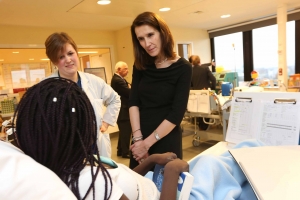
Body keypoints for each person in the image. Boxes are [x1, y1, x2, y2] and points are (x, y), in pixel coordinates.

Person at [12, 77, 189, 200]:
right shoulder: (91, 183)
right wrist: (171, 174)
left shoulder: (70, 165)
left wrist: (150, 160)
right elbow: (108, 185)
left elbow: (120, 180)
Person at [129, 11, 192, 168]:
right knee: (137, 188)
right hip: (139, 139)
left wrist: (147, 144)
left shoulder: (183, 68)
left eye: (150, 35)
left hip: (165, 139)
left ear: (163, 33)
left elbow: (176, 113)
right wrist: (138, 140)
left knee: (164, 189)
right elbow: (133, 102)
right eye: (141, 39)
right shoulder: (140, 65)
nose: (147, 43)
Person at [44, 32, 121, 158]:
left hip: (95, 149)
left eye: (70, 53)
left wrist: (106, 122)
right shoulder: (47, 87)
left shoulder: (94, 81)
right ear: (54, 62)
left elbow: (115, 99)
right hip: (66, 152)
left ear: (76, 53)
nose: (68, 60)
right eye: (61, 57)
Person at [111, 61, 132, 159]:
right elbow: (129, 92)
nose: (127, 71)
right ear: (119, 70)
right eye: (125, 69)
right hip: (123, 111)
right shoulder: (117, 80)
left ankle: (120, 150)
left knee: (123, 131)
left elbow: (130, 87)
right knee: (126, 131)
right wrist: (130, 88)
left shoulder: (121, 79)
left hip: (123, 110)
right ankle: (125, 152)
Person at [190, 55, 216, 130]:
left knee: (198, 110)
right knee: (206, 110)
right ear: (199, 61)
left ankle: (201, 127)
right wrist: (212, 88)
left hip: (195, 95)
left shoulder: (190, 71)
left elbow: (189, 84)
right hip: (205, 93)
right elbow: (213, 79)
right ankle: (205, 127)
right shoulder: (205, 68)